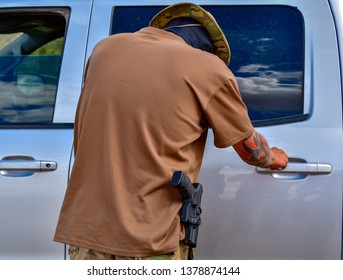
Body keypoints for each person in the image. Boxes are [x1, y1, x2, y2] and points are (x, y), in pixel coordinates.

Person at [54, 2, 288, 260]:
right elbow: (250, 150)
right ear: (207, 49)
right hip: (148, 239)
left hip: (85, 234)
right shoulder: (208, 68)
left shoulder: (104, 49)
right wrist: (274, 158)